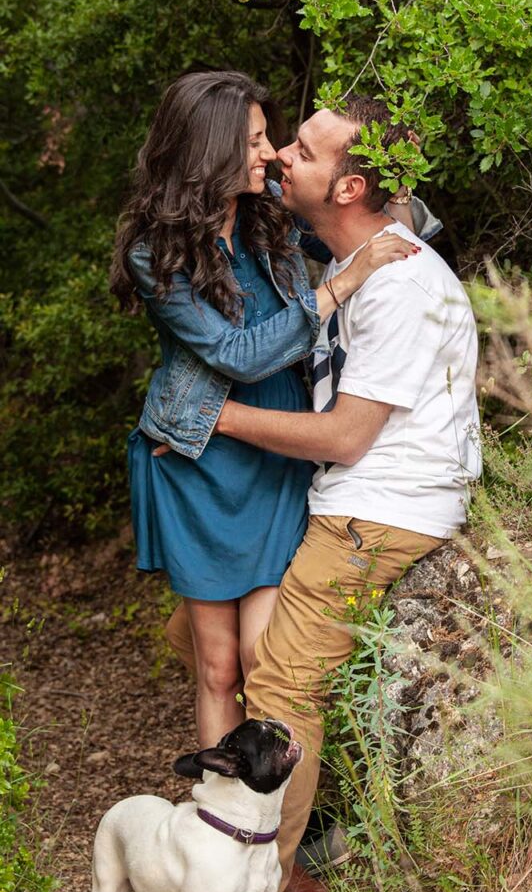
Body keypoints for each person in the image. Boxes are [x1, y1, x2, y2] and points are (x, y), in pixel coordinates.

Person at [133, 96, 481, 892]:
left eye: (294, 146)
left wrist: (210, 417)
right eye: (266, 143)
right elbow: (364, 232)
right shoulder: (318, 240)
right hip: (310, 485)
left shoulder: (384, 273)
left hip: (356, 492)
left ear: (351, 183)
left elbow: (344, 437)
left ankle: (255, 889)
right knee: (203, 650)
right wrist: (376, 235)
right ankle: (293, 828)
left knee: (278, 679)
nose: (281, 154)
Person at [109, 71, 423, 752]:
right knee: (219, 668)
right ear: (212, 150)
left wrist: (394, 187)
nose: (272, 152)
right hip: (199, 466)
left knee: (264, 660)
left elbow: (358, 221)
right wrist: (338, 289)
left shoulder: (271, 215)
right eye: (254, 140)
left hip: (276, 453)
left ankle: (278, 832)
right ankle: (227, 836)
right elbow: (237, 355)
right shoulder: (154, 252)